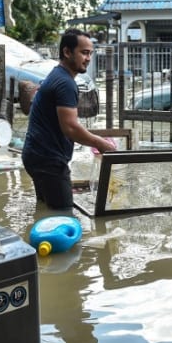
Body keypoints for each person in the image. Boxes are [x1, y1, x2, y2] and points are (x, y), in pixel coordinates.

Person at [22, 28, 115, 210]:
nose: (88, 58)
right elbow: (71, 128)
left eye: (90, 54)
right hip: (48, 160)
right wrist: (102, 144)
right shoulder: (65, 83)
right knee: (63, 215)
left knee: (44, 210)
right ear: (66, 52)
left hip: (35, 155)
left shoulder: (57, 75)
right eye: (84, 52)